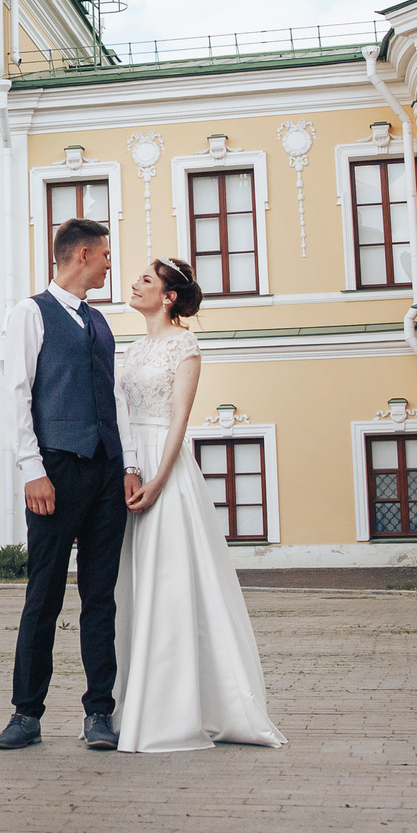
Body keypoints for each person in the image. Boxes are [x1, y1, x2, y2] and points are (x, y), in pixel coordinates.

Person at [111, 257, 285, 753]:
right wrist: (129, 470)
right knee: (135, 584)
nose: (135, 283)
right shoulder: (134, 348)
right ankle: (132, 705)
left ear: (168, 296)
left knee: (170, 582)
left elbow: (179, 420)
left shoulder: (183, 344)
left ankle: (173, 711)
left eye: (146, 279)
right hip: (132, 468)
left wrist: (159, 479)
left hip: (166, 467)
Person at [0, 219, 138, 752]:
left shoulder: (101, 323)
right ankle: (26, 714)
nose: (108, 264)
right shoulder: (29, 313)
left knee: (100, 598)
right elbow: (16, 393)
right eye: (104, 255)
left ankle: (99, 713)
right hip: (55, 469)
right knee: (44, 595)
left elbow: (117, 398)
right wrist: (32, 468)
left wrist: (130, 465)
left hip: (105, 472)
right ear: (81, 254)